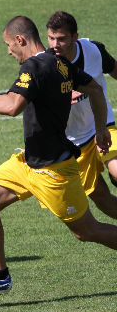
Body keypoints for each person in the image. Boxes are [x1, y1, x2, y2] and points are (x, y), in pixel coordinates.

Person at [0, 15, 117, 295]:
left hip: (54, 171)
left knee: (87, 231)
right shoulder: (61, 63)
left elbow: (13, 106)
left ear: (20, 40)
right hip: (27, 162)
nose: (8, 51)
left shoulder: (34, 67)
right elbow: (95, 90)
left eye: (8, 45)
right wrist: (100, 128)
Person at [46, 11, 117, 218]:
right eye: (51, 38)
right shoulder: (45, 64)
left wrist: (101, 128)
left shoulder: (94, 50)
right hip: (74, 143)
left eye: (61, 39)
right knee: (101, 199)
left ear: (75, 37)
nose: (55, 44)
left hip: (103, 127)